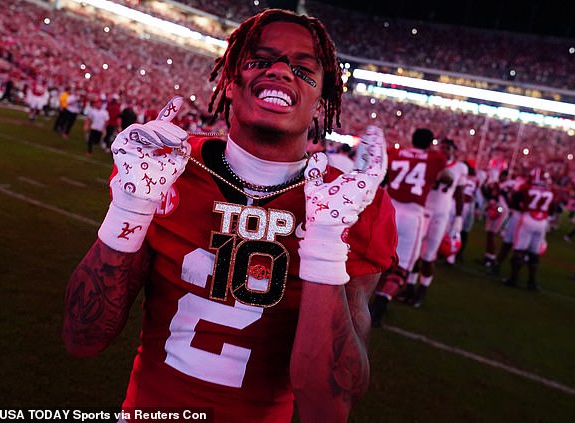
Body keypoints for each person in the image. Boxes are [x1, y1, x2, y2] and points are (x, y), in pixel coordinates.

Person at [63, 9, 397, 423]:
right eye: (261, 59)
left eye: (302, 67)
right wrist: (130, 208)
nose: (279, 70)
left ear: (323, 98)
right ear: (230, 78)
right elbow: (83, 337)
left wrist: (327, 243)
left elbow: (326, 408)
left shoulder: (355, 207)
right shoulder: (168, 166)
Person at [369, 128, 450, 325]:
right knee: (402, 266)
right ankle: (378, 309)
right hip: (412, 214)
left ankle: (366, 301)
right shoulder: (436, 159)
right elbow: (447, 177)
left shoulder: (395, 153)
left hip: (389, 209)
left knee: (378, 259)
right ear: (430, 143)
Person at [406, 138, 468, 307]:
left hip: (441, 214)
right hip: (423, 210)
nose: (443, 150)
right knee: (415, 252)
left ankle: (422, 289)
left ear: (454, 150)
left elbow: (459, 194)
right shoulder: (430, 161)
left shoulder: (460, 167)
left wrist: (459, 218)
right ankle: (410, 286)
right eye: (441, 147)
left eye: (447, 148)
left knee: (429, 255)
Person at [502, 167, 555, 291]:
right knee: (534, 252)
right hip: (541, 221)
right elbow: (552, 210)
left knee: (519, 250)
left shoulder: (526, 188)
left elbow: (515, 203)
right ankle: (532, 282)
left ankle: (513, 278)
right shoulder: (550, 192)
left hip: (527, 218)